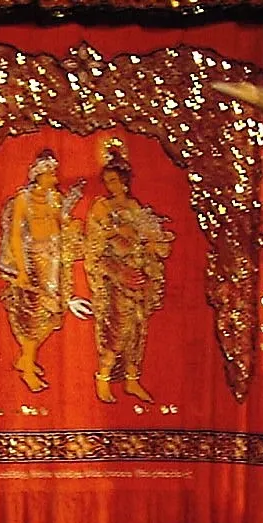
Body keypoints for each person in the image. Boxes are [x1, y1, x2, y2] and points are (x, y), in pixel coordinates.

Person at [82, 140, 174, 404]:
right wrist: (115, 236)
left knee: (137, 331)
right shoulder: (101, 207)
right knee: (117, 329)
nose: (110, 186)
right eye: (107, 181)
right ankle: (104, 377)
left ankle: (133, 380)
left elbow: (149, 241)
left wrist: (155, 245)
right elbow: (94, 245)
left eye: (114, 180)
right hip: (116, 277)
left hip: (139, 276)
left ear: (124, 181)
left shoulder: (136, 208)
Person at [0, 148, 86, 393]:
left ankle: (26, 357)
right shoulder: (23, 201)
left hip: (55, 262)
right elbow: (16, 236)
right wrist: (22, 270)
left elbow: (61, 223)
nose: (55, 178)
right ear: (39, 174)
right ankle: (27, 368)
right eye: (51, 174)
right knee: (33, 315)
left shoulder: (54, 198)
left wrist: (70, 210)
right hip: (34, 261)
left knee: (54, 314)